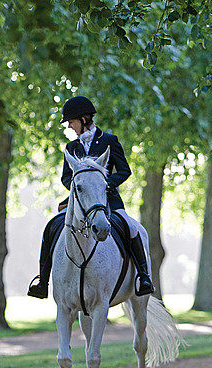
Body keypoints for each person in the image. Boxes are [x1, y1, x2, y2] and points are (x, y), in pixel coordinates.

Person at [27, 95, 154, 299]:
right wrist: (80, 187)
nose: (69, 126)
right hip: (80, 202)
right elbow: (66, 177)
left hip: (108, 201)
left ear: (84, 119)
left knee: (130, 227)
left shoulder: (109, 141)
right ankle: (43, 280)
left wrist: (104, 185)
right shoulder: (71, 148)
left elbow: (124, 171)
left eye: (71, 121)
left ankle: (143, 276)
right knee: (51, 227)